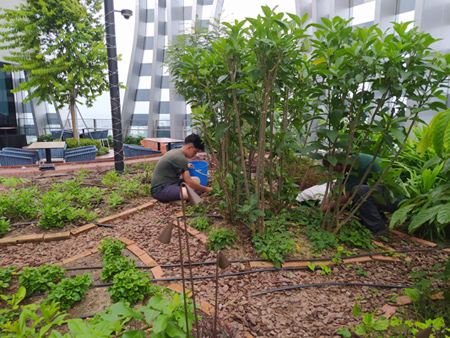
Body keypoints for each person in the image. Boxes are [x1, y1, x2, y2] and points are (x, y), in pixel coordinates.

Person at [320, 151, 401, 236]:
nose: (332, 172)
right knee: (341, 189)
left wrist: (325, 209)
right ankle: (377, 218)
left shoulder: (360, 165)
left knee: (358, 191)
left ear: (341, 164)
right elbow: (338, 187)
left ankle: (377, 227)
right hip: (381, 194)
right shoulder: (349, 163)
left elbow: (346, 197)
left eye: (332, 169)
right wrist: (323, 204)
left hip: (395, 199)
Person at [150, 134, 213, 202]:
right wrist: (206, 189)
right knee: (188, 193)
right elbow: (189, 182)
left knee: (197, 179)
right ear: (190, 147)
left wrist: (186, 166)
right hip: (160, 189)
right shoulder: (181, 158)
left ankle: (179, 193)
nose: (195, 155)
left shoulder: (176, 152)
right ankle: (180, 196)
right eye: (195, 152)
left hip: (172, 182)